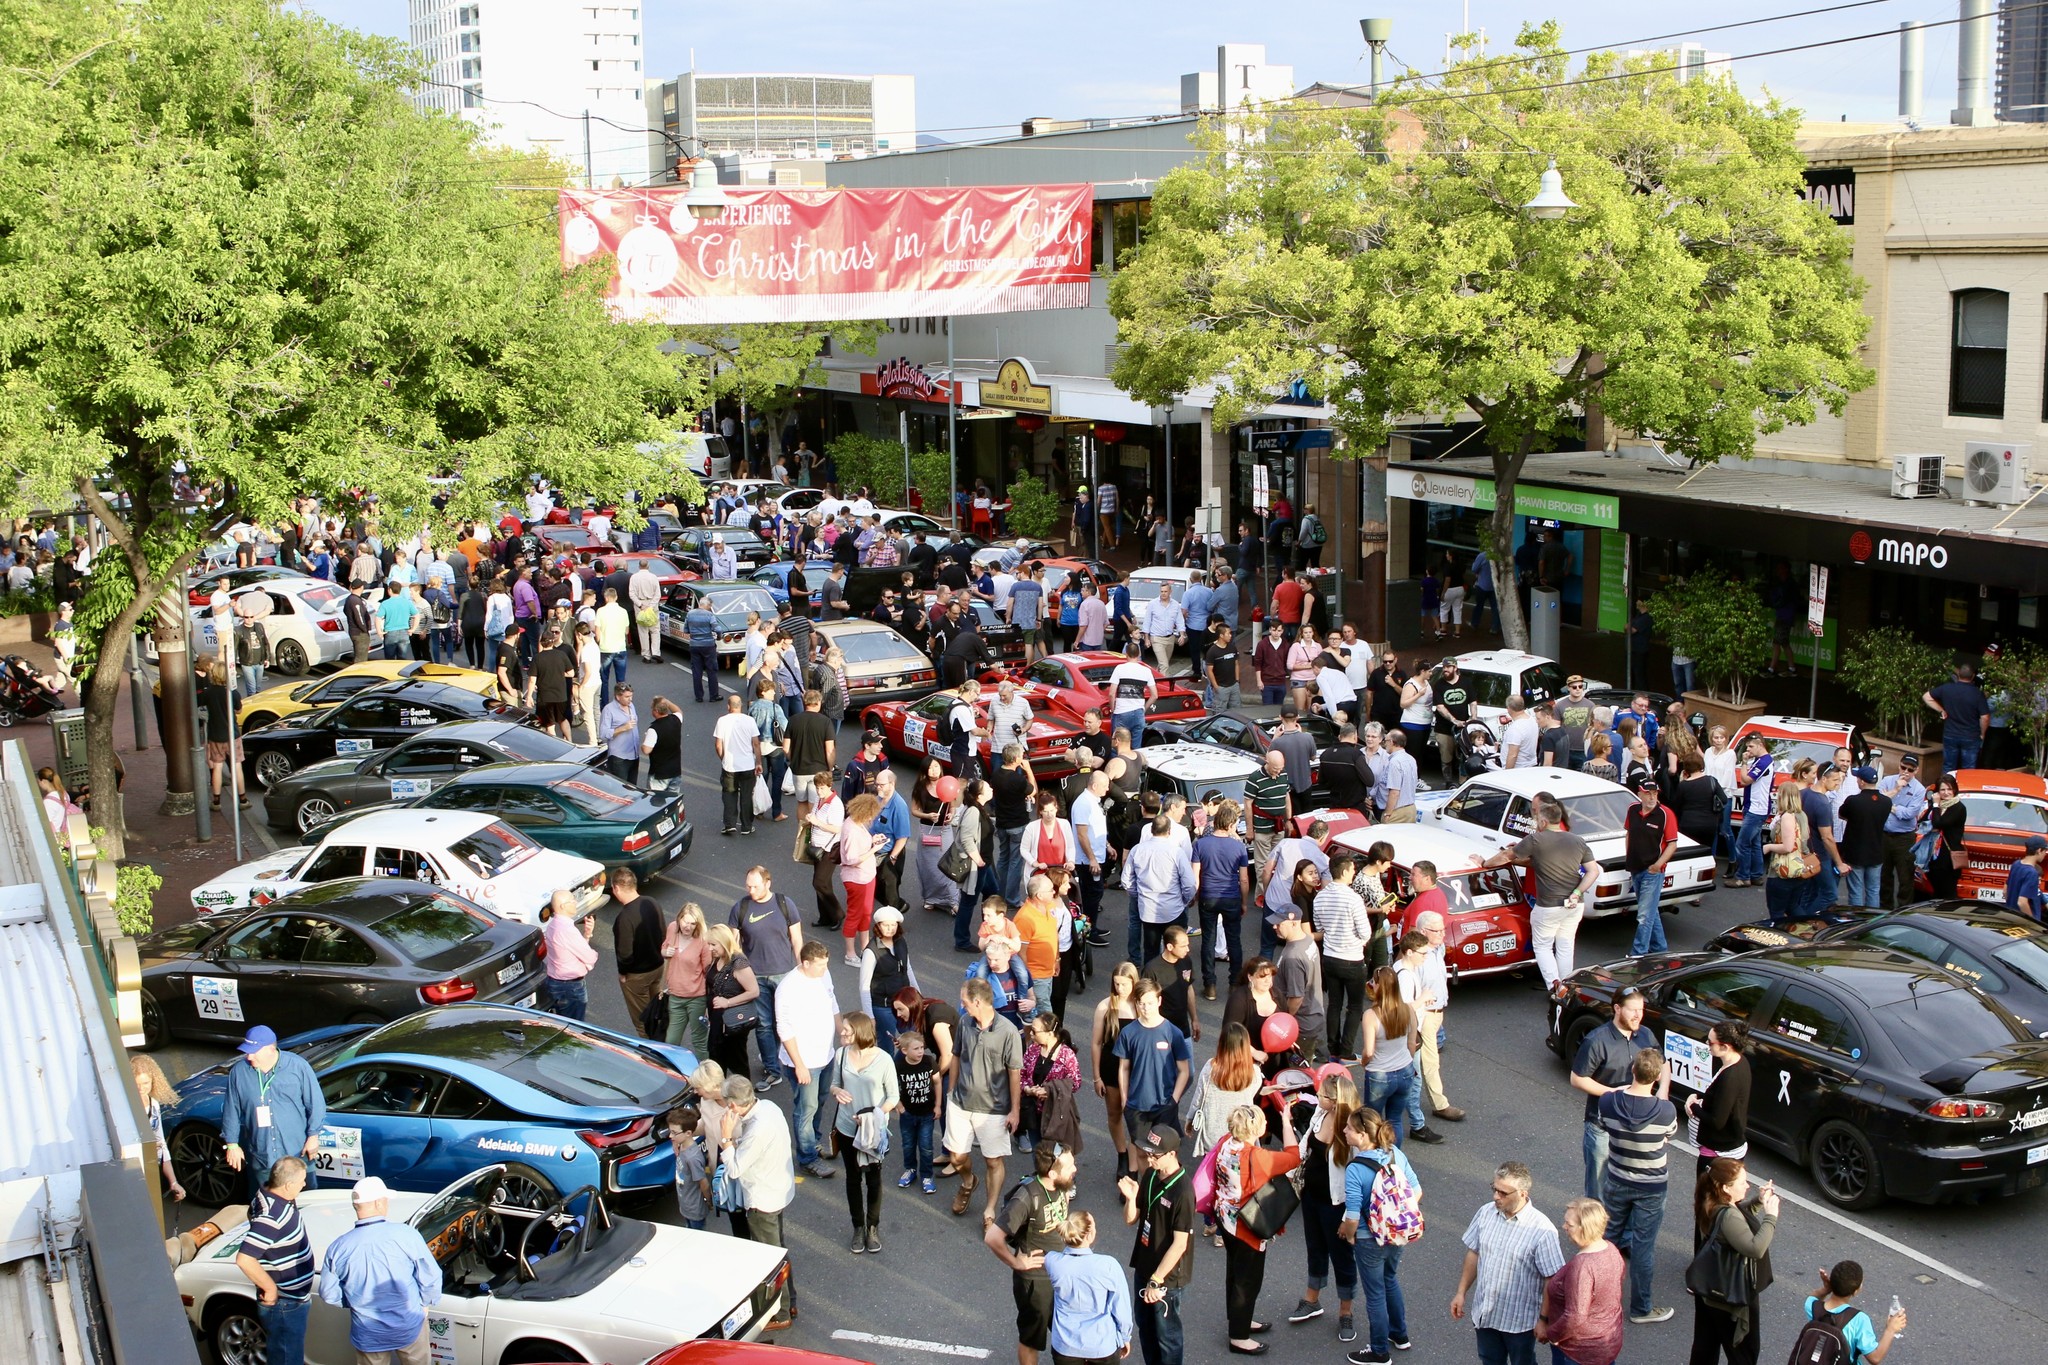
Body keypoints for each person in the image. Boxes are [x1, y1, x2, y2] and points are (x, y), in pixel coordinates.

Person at [1450, 1161, 1565, 1365]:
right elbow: (1474, 1253)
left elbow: (1551, 1279)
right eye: (1495, 1189)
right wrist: (1461, 1292)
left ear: (1523, 1193)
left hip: (1519, 1323)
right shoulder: (1486, 1212)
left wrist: (1544, 1320)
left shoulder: (1542, 1230)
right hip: (1485, 1314)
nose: (1496, 1196)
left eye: (1503, 1193)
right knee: (1489, 1360)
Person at [319, 1176, 441, 1365]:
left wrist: (353, 1301)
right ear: (377, 1203)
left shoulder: (338, 1247)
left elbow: (328, 1293)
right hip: (409, 1325)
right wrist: (424, 1304)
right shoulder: (406, 1234)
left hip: (368, 1332)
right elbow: (431, 1277)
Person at [1596, 1048, 1678, 1326]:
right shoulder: (1665, 1111)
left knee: (1607, 1240)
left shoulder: (1608, 1102)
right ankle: (1641, 1308)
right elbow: (1668, 1136)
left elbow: (1603, 1124)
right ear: (1655, 1077)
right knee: (1643, 1247)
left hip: (1617, 1180)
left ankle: (1598, 1297)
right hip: (1651, 1188)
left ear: (1633, 1070)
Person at [1484, 797, 1598, 997]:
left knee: (1543, 946)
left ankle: (1555, 988)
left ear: (1544, 822)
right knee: (1565, 945)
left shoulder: (1536, 839)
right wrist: (1577, 892)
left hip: (1548, 905)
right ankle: (1567, 986)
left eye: (1538, 820)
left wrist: (1484, 863)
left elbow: (1505, 857)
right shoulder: (1577, 840)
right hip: (1574, 904)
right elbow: (1593, 872)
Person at [1211, 1103, 1300, 1353]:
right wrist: (1286, 1123)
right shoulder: (1258, 1157)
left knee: (1235, 1273)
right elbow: (1294, 1157)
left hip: (1225, 1216)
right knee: (1248, 1281)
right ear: (1256, 1129)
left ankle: (1239, 1319)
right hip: (1247, 1226)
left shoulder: (1226, 1143)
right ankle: (1238, 1336)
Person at [1336, 1105, 1420, 1365]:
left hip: (1368, 1237)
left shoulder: (1355, 1168)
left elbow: (1352, 1214)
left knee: (1374, 1293)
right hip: (1397, 1234)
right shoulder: (1394, 1154)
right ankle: (1400, 1335)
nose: (1344, 1131)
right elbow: (1416, 1192)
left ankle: (1380, 1351)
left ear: (1362, 1134)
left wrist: (1351, 1236)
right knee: (1390, 1280)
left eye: (1349, 1128)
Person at [986, 1142, 1080, 1365]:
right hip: (1036, 1282)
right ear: (1052, 1173)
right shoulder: (1027, 1197)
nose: (1075, 1169)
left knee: (1067, 1332)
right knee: (1031, 1339)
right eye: (1070, 1166)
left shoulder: (1062, 1186)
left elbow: (1062, 1216)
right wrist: (1016, 1263)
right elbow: (992, 1237)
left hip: (1060, 1272)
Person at [719, 1076, 798, 1329]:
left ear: (733, 1105)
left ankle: (782, 1312)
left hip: (762, 1200)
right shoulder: (770, 1108)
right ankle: (790, 1301)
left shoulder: (756, 1129)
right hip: (779, 1191)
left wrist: (726, 1139)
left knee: (770, 1261)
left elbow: (734, 1169)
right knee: (780, 1252)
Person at [1571, 986, 1661, 1200]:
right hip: (1602, 1128)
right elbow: (1577, 1078)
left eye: (1641, 1009)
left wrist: (1663, 1090)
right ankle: (1595, 1232)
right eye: (1633, 1010)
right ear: (1617, 1009)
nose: (1638, 1015)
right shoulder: (1596, 1040)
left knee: (1628, 1190)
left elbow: (1662, 1063)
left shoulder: (1645, 1034)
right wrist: (1612, 1093)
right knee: (1598, 1191)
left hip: (1634, 1128)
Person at [1688, 1158, 1779, 1365]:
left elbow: (1738, 1218)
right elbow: (1754, 1248)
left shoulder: (1709, 1201)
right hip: (1730, 1296)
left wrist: (1757, 1200)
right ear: (1725, 1187)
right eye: (1742, 1182)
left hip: (1709, 1289)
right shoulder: (1728, 1216)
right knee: (1744, 1353)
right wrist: (1771, 1217)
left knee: (1706, 1347)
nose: (1747, 1186)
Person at [948, 977, 1024, 1223]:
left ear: (978, 1002)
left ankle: (990, 1209)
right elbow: (956, 1056)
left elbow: (1015, 1073)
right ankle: (969, 1181)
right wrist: (950, 1094)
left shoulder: (1008, 1032)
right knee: (957, 1158)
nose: (962, 1005)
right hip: (960, 1104)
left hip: (994, 1109)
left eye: (965, 1002)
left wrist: (1015, 1111)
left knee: (993, 1161)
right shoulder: (964, 1023)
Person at [220, 1024, 325, 1200]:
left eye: (254, 1051)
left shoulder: (297, 1067)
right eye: (247, 1051)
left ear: (270, 1049)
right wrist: (232, 1144)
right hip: (263, 1156)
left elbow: (316, 1104)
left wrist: (313, 1135)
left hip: (297, 1154)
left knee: (306, 1203)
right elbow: (231, 1110)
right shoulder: (239, 1072)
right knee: (268, 1206)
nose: (249, 1056)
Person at [1121, 1124, 1195, 1365]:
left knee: (1167, 1337)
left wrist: (1157, 1279)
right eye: (1147, 1152)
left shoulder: (1183, 1191)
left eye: (1154, 1154)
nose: (1148, 1157)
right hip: (1144, 1266)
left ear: (1172, 1154)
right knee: (1146, 1328)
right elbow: (1131, 1219)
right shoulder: (1151, 1174)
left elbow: (1180, 1244)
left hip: (1166, 1279)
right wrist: (1131, 1199)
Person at [828, 1010, 900, 1253]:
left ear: (859, 1032)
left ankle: (872, 1227)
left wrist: (873, 1115)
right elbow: (834, 1085)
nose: (842, 1033)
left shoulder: (883, 1060)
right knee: (852, 1177)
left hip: (872, 1131)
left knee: (873, 1178)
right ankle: (858, 1226)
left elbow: (893, 1097)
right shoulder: (841, 1055)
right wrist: (837, 1092)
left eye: (847, 1030)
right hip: (847, 1127)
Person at [728, 866, 805, 1087]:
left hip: (783, 975)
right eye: (748, 886)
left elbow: (797, 939)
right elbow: (733, 945)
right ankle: (772, 1069)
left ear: (767, 883)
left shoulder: (784, 904)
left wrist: (801, 970)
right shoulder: (741, 907)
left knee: (782, 1022)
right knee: (762, 1024)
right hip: (756, 977)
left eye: (756, 886)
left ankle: (776, 1053)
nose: (751, 890)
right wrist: (738, 971)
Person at [235, 1157, 314, 1365]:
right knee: (287, 1357)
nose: (304, 1184)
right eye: (302, 1181)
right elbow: (244, 1259)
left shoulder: (268, 1192)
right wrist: (270, 1288)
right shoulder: (272, 1216)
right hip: (285, 1303)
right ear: (288, 1185)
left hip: (290, 1300)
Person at [774, 940, 840, 1179]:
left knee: (820, 1101)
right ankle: (807, 1158)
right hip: (804, 1062)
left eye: (826, 964)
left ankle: (813, 1141)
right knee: (806, 1108)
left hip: (825, 1055)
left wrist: (842, 1030)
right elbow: (785, 1029)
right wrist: (799, 1065)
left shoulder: (823, 974)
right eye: (820, 965)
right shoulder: (788, 988)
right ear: (805, 963)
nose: (825, 969)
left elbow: (832, 1001)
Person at [1536, 1199, 1624, 1365]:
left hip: (1577, 1351)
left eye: (1569, 1224)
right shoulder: (1611, 1249)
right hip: (1607, 1342)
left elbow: (1575, 1316)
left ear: (1584, 1228)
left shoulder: (1582, 1265)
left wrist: (1551, 1333)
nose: (1564, 1227)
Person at [1047, 1211, 1136, 1365]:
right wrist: (1124, 1337)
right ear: (1089, 1235)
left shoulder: (1052, 1261)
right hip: (1102, 1345)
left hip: (1065, 1347)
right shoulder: (1108, 1265)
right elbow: (1121, 1307)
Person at [1315, 854, 1374, 1064]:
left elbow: (1319, 928)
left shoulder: (1320, 897)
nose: (1354, 873)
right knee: (1355, 1006)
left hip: (1330, 957)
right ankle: (1347, 1052)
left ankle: (1333, 1048)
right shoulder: (1353, 898)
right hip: (1352, 959)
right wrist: (1358, 940)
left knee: (1334, 1004)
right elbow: (1365, 932)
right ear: (1344, 871)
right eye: (1352, 869)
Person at [1115, 976, 1192, 1138]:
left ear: (1159, 1001)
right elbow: (1124, 1067)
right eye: (1141, 1003)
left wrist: (1174, 1100)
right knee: (1141, 1152)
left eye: (1150, 1003)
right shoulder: (1128, 1033)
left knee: (1164, 1153)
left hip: (1164, 1104)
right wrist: (1124, 1099)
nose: (1146, 1008)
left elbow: (1184, 1071)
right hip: (1136, 1105)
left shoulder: (1173, 1033)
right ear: (1136, 1003)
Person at [1361, 963, 1422, 1147]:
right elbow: (1412, 1044)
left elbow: (1369, 1051)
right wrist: (1406, 1063)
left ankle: (1378, 1159)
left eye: (1374, 981)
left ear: (1379, 986)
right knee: (1395, 1120)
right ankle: (1396, 1158)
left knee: (1373, 1122)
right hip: (1405, 1071)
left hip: (1380, 1075)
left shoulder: (1371, 1015)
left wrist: (1363, 1061)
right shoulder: (1407, 1009)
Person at [1801, 1261, 1908, 1365]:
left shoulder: (1814, 1307)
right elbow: (1875, 1358)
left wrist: (1826, 1289)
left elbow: (1812, 1297)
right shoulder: (1859, 1319)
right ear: (1856, 1291)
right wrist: (1890, 1330)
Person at [1093, 963, 1141, 1178]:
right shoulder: (1105, 1006)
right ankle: (1122, 1155)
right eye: (1117, 984)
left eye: (1125, 984)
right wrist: (1096, 1077)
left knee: (1135, 1119)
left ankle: (1132, 1162)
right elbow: (1096, 1043)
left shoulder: (1141, 1006)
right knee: (1114, 1114)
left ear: (1134, 982)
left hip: (1137, 1070)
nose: (1120, 988)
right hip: (1111, 1068)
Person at [1687, 1020, 1754, 1175]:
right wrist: (1697, 1096)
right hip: (1728, 1146)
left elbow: (1717, 1121)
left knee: (1707, 1197)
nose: (1707, 1044)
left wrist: (1693, 1106)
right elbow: (1719, 1097)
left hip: (1719, 1152)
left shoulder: (1730, 1077)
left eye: (1710, 1042)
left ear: (1725, 1047)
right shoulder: (1740, 1062)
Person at [1622, 777, 1678, 956]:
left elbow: (1672, 844)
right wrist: (1629, 857)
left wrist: (1658, 865)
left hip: (1652, 872)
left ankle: (1638, 953)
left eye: (1654, 793)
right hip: (1635, 867)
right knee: (1650, 912)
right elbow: (1629, 834)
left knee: (1644, 916)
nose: (1652, 797)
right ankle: (1660, 950)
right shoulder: (1632, 809)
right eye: (1648, 794)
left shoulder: (1665, 814)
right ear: (1639, 794)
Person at [658, 901, 714, 1057]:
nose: (687, 926)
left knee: (699, 1042)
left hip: (697, 998)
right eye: (684, 921)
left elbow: (708, 971)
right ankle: (673, 1076)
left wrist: (709, 1004)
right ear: (679, 919)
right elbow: (664, 948)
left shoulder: (702, 940)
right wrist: (664, 952)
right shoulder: (672, 928)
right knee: (671, 1042)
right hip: (675, 996)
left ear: (697, 924)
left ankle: (709, 1077)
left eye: (692, 923)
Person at [1272, 908, 1328, 1063]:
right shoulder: (1307, 940)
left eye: (1279, 923)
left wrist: (1283, 1023)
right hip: (1311, 1018)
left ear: (1294, 923)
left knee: (1295, 1076)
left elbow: (1296, 997)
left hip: (1300, 1026)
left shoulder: (1293, 957)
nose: (1274, 926)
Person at [1835, 767, 1892, 910]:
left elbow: (1842, 814)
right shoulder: (1886, 802)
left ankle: (1857, 921)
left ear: (1861, 781)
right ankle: (1872, 919)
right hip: (1876, 852)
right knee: (1873, 891)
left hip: (1856, 853)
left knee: (1856, 891)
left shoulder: (1854, 801)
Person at [1877, 754, 1927, 911]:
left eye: (1910, 769)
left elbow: (1909, 814)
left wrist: (1889, 805)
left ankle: (1903, 910)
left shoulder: (1919, 789)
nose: (1905, 772)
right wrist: (1896, 789)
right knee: (1884, 874)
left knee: (1905, 876)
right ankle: (1885, 908)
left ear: (1916, 770)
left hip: (1904, 837)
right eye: (1903, 767)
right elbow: (1877, 800)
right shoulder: (1887, 781)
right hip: (1884, 834)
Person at [1922, 661, 1990, 774]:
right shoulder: (1977, 694)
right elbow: (1985, 717)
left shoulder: (1947, 688)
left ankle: (1946, 790)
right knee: (1969, 770)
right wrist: (1983, 733)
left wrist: (1941, 710)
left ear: (1958, 675)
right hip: (1971, 736)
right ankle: (1966, 791)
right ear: (1973, 676)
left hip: (1950, 734)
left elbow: (1926, 697)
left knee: (1948, 767)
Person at [1924, 773, 1967, 900]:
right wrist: (1934, 805)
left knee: (1948, 893)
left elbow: (1939, 823)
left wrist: (1936, 805)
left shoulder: (1958, 808)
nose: (1946, 793)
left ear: (1954, 790)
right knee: (1936, 892)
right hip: (1934, 856)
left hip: (1948, 858)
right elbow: (1925, 819)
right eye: (1942, 789)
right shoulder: (1938, 805)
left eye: (1949, 789)